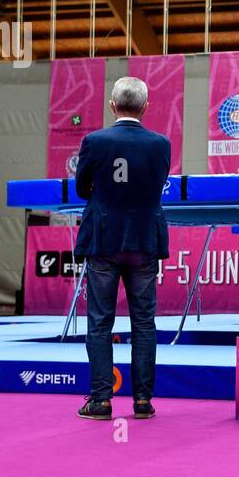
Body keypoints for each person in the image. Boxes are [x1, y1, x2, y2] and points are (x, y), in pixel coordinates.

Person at [74, 76, 172, 420]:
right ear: (145, 108)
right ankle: (143, 401)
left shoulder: (94, 141)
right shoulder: (161, 144)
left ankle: (100, 400)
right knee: (144, 323)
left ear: (112, 106)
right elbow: (158, 185)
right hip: (144, 240)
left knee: (100, 321)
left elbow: (82, 188)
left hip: (104, 240)